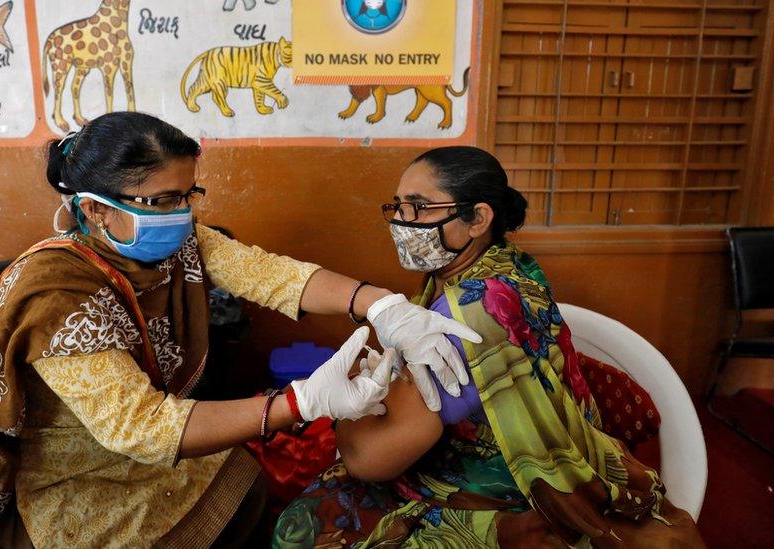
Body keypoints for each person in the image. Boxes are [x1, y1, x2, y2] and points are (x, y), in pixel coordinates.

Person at [0, 112, 482, 547]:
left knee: (244, 482)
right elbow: (142, 428)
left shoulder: (177, 244)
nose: (181, 214)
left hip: (146, 450)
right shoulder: (58, 294)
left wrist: (382, 305)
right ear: (95, 211)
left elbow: (271, 274)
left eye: (187, 195)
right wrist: (303, 402)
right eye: (161, 201)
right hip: (75, 474)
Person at [274, 147, 704, 547]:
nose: (401, 222)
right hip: (540, 451)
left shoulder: (470, 313)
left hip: (511, 490)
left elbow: (369, 460)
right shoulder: (509, 268)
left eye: (419, 208)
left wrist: (343, 411)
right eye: (398, 206)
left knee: (302, 528)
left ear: (478, 219)